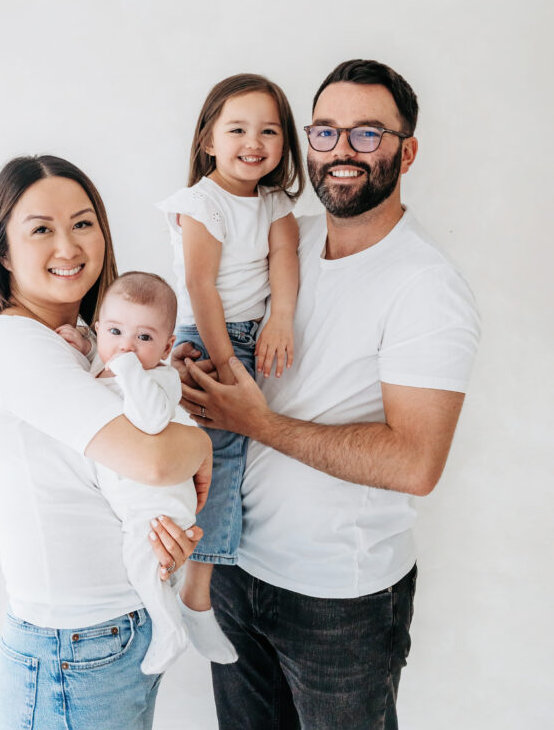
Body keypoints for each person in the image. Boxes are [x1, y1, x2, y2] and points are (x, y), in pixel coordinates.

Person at [178, 60, 481, 730]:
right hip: (232, 566)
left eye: (366, 134)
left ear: (407, 150)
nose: (341, 150)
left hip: (336, 602)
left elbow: (414, 463)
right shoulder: (284, 237)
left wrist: (256, 422)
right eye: (325, 131)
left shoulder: (424, 286)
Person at [0, 155, 212, 730]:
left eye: (82, 223)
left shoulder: (84, 350)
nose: (69, 246)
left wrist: (160, 540)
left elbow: (112, 483)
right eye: (41, 229)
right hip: (71, 652)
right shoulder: (14, 346)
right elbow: (151, 458)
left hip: (106, 640)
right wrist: (201, 451)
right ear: (3, 252)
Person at [157, 73, 304, 663]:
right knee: (218, 462)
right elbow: (200, 285)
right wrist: (225, 365)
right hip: (210, 338)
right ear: (208, 140)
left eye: (269, 131)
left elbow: (285, 261)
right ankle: (193, 597)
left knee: (242, 465)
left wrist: (281, 320)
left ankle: (187, 584)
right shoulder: (202, 203)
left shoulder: (275, 204)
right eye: (237, 129)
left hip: (253, 338)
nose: (254, 142)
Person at [57, 270, 232, 674]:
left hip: (157, 502)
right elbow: (101, 383)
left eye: (145, 338)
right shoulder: (107, 366)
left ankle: (170, 630)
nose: (127, 347)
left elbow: (151, 420)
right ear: (99, 328)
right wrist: (87, 348)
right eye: (115, 331)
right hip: (138, 499)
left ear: (168, 346)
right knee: (151, 567)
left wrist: (129, 368)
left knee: (143, 564)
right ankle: (183, 613)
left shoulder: (160, 379)